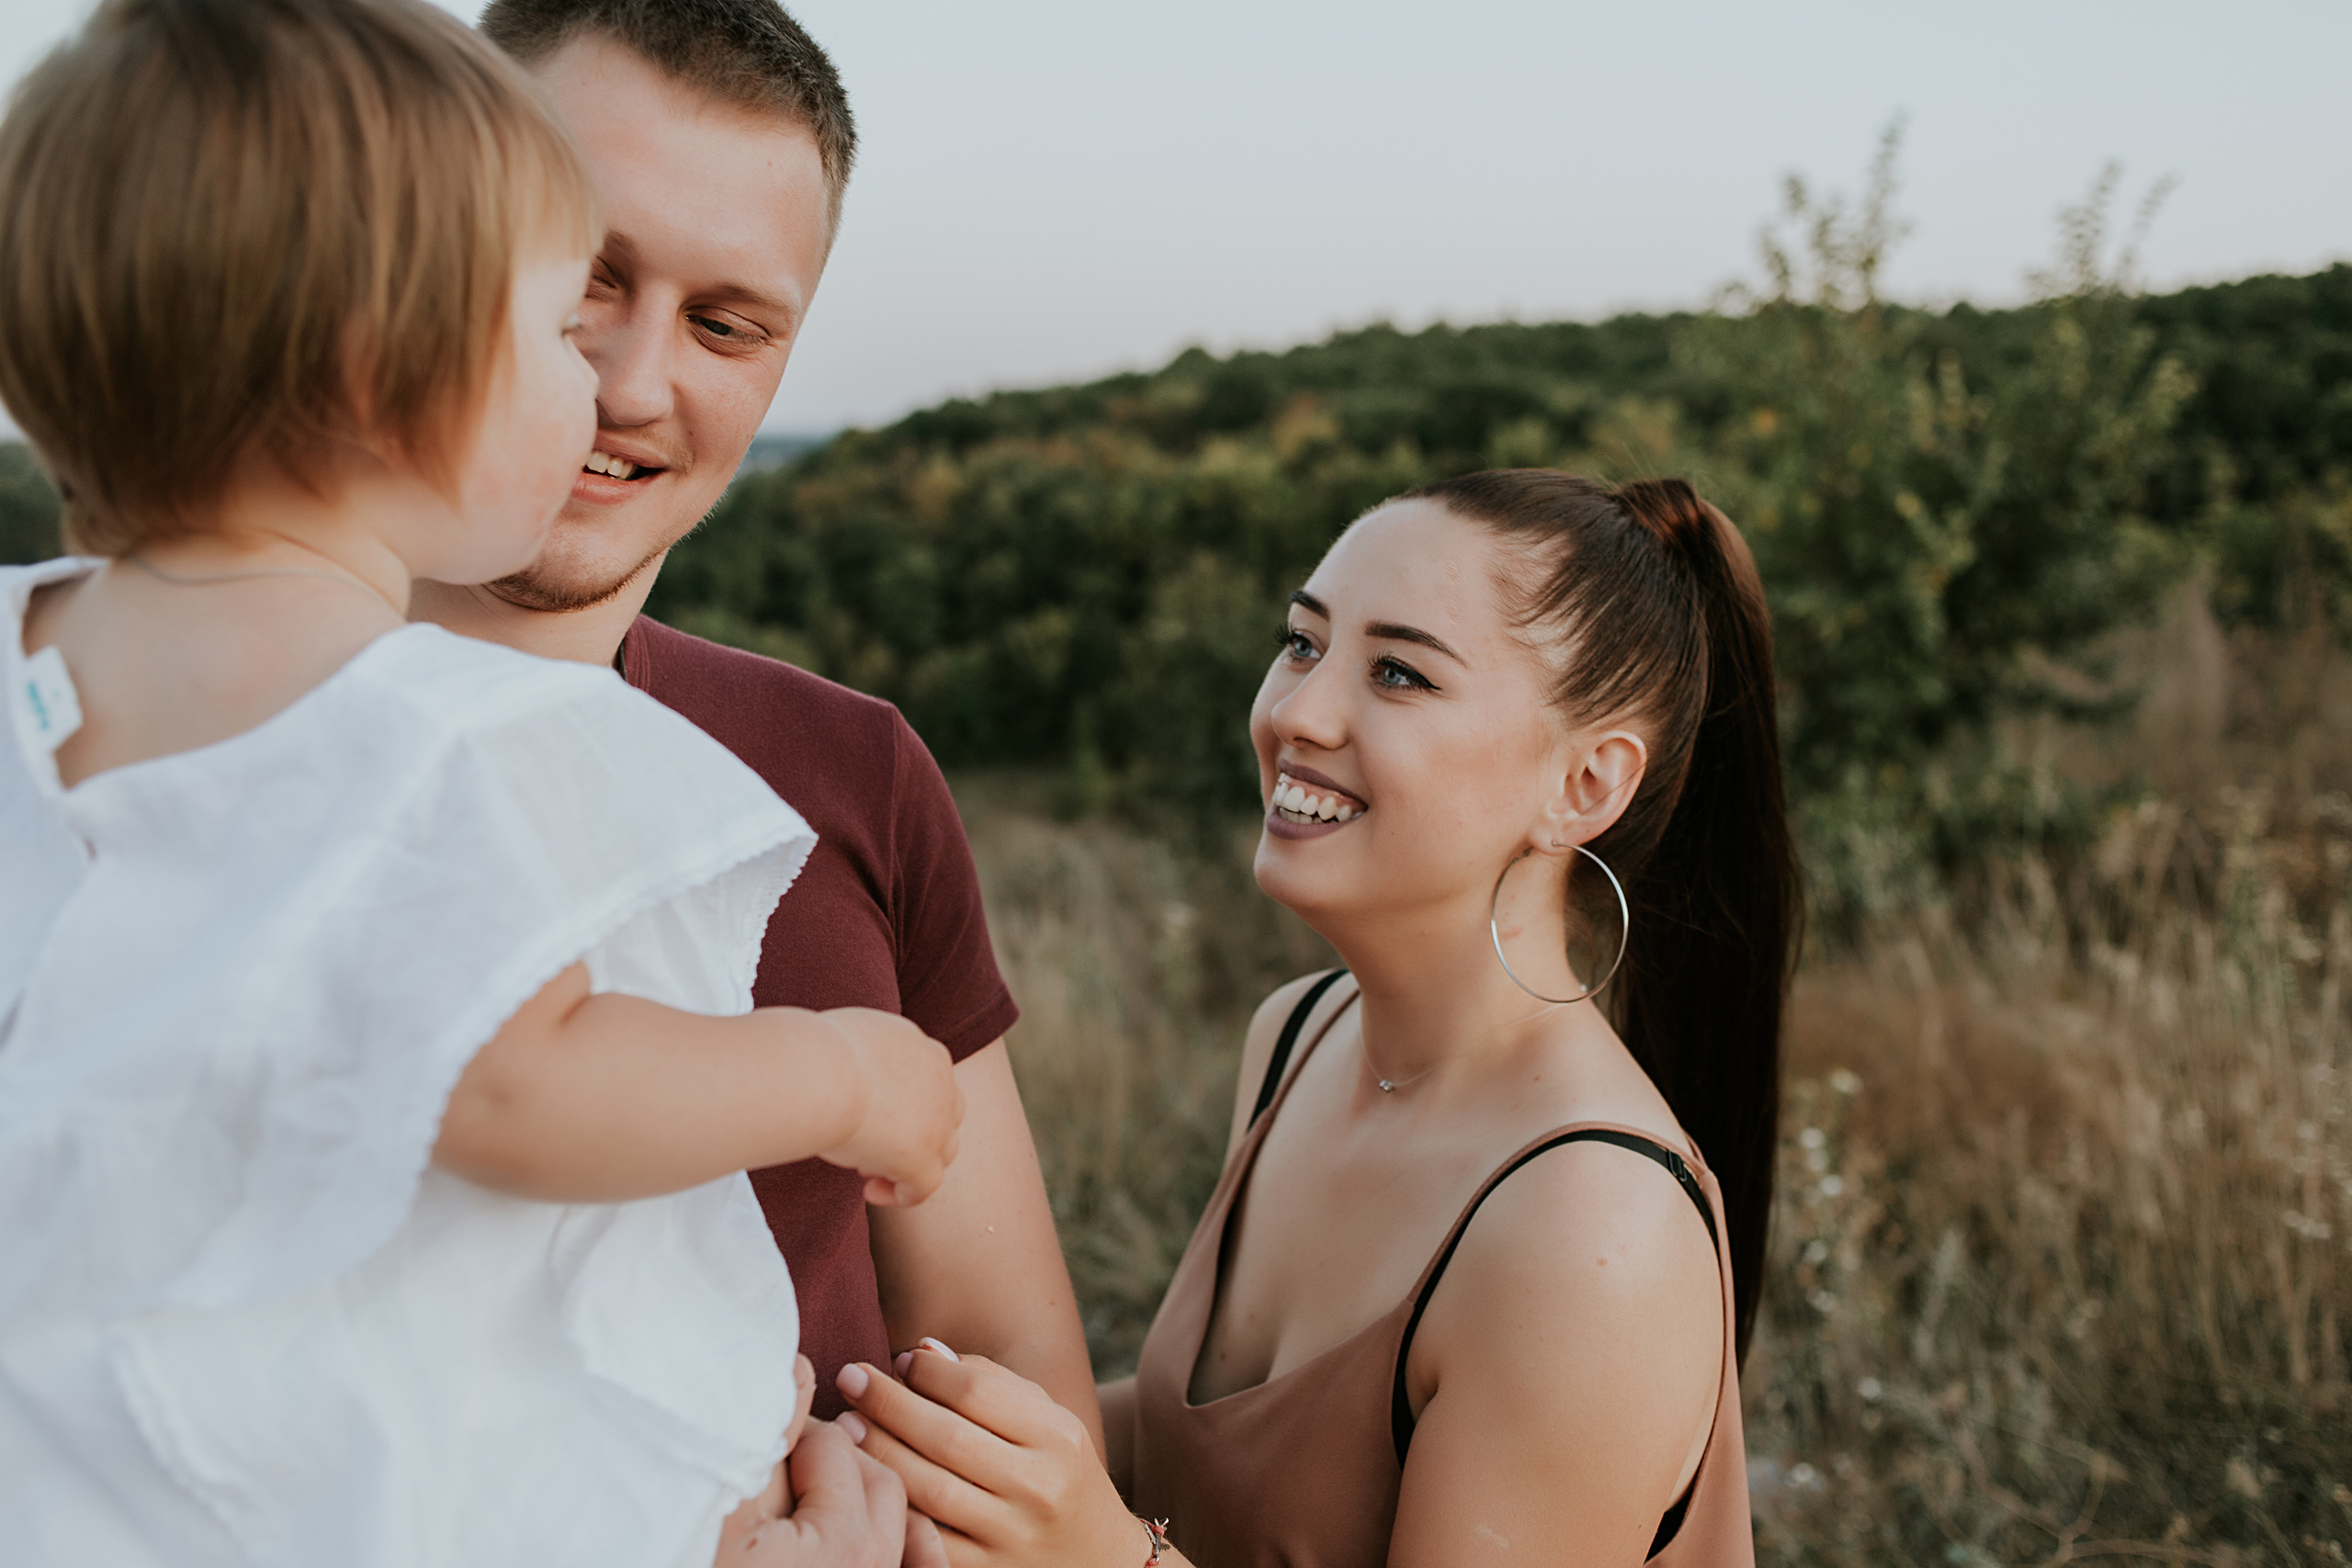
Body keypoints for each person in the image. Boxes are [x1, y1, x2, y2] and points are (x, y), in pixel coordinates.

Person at [0, 2, 958, 1562]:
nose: (610, 388)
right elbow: (516, 1077)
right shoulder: (448, 729)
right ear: (396, 371)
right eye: (561, 320)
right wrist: (847, 1070)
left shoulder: (29, 658)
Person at [831, 470, 1797, 1566]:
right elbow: (1209, 1469)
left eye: (1398, 672)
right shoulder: (1300, 1036)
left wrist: (1100, 1552)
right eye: (1302, 642)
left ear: (1585, 785)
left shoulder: (1592, 1231)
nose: (1295, 712)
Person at [410, 0, 1103, 1448]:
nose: (630, 383)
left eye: (725, 324)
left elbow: (1007, 1373)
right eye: (584, 275)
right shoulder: (119, 737)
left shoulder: (850, 771)